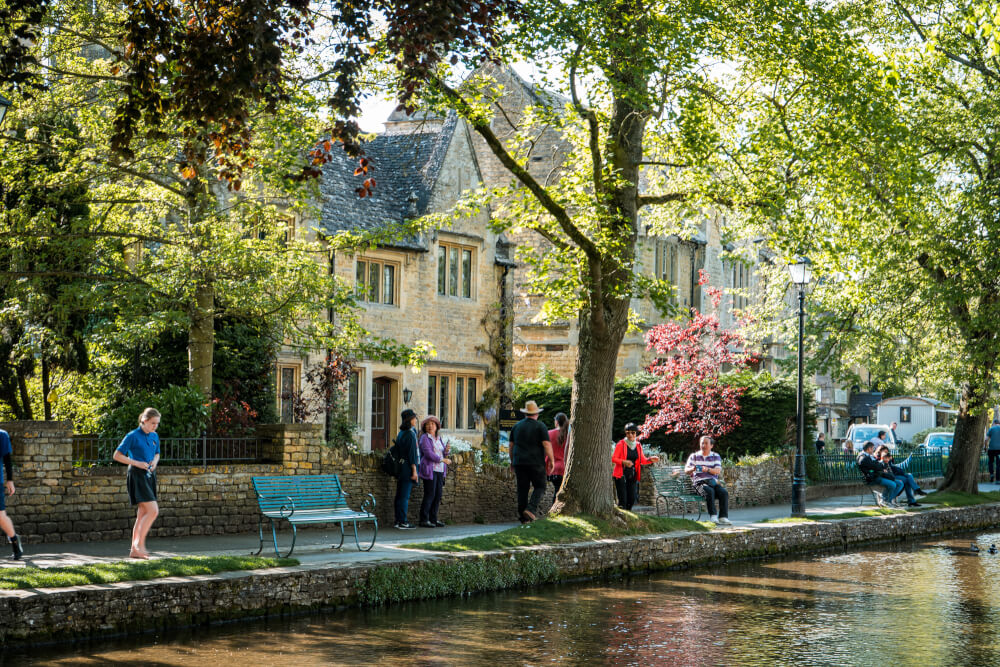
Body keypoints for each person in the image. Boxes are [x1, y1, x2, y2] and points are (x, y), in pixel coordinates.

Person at [112, 407, 161, 559]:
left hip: (149, 475)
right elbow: (117, 455)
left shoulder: (154, 436)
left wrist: (154, 462)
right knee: (153, 511)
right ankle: (140, 545)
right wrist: (136, 463)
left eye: (157, 423)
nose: (155, 426)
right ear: (144, 421)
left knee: (142, 514)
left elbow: (157, 453)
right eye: (153, 423)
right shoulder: (132, 436)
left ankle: (135, 550)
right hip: (137, 475)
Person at [510, 400, 554, 522]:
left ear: (525, 413)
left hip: (519, 462)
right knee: (540, 486)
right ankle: (530, 509)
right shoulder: (540, 426)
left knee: (522, 489)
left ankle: (523, 517)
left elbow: (511, 446)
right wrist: (551, 460)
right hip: (535, 462)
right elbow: (546, 444)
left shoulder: (516, 426)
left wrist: (512, 461)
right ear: (536, 414)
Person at [611, 423, 660, 511]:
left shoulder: (638, 445)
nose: (630, 435)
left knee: (632, 499)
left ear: (636, 433)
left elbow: (642, 460)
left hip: (632, 475)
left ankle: (627, 518)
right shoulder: (620, 444)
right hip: (621, 476)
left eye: (632, 432)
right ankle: (622, 519)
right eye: (628, 433)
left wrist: (650, 459)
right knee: (623, 501)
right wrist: (624, 462)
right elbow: (613, 458)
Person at [684, 436, 731, 525]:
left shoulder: (715, 456)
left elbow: (717, 471)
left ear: (711, 446)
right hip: (698, 484)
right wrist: (693, 469)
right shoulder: (694, 456)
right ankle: (713, 516)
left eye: (706, 443)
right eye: (702, 443)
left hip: (712, 482)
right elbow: (686, 470)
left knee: (724, 492)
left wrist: (707, 470)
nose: (703, 445)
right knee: (709, 491)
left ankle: (723, 517)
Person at [417, 415, 451, 528]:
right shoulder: (424, 438)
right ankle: (424, 519)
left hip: (440, 470)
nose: (430, 426)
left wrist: (446, 451)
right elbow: (428, 453)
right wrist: (442, 459)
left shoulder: (438, 438)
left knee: (438, 495)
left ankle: (433, 519)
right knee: (430, 494)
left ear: (436, 426)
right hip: (429, 469)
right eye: (428, 424)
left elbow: (442, 453)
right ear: (425, 427)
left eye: (432, 424)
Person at [392, 408, 420, 529]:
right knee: (404, 496)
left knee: (400, 495)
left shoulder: (402, 433)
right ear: (410, 420)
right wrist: (414, 471)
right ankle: (403, 521)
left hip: (401, 466)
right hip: (408, 468)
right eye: (414, 418)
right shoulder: (410, 434)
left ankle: (398, 520)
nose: (415, 420)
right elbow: (412, 454)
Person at [856, 441, 903, 507]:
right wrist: (881, 467)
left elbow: (876, 465)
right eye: (872, 448)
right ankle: (884, 500)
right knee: (893, 484)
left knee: (900, 483)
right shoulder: (863, 458)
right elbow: (875, 466)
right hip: (872, 478)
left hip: (878, 475)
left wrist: (879, 467)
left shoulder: (868, 456)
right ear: (869, 449)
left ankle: (887, 500)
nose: (873, 450)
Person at [0, 429, 23, 560]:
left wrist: (10, 480)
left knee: (0, 516)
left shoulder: (2, 435)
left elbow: (7, 459)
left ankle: (14, 540)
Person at [547, 413, 569, 499]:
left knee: (557, 490)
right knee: (558, 492)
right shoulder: (569, 435)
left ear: (556, 422)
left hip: (552, 469)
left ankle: (554, 509)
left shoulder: (549, 433)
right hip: (565, 468)